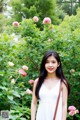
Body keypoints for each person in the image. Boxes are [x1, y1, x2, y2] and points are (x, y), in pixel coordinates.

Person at [31, 50, 70, 120]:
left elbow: (64, 105)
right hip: (41, 117)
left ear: (58, 64)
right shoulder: (38, 81)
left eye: (53, 62)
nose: (50, 65)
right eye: (47, 62)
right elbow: (34, 103)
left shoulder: (62, 83)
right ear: (44, 64)